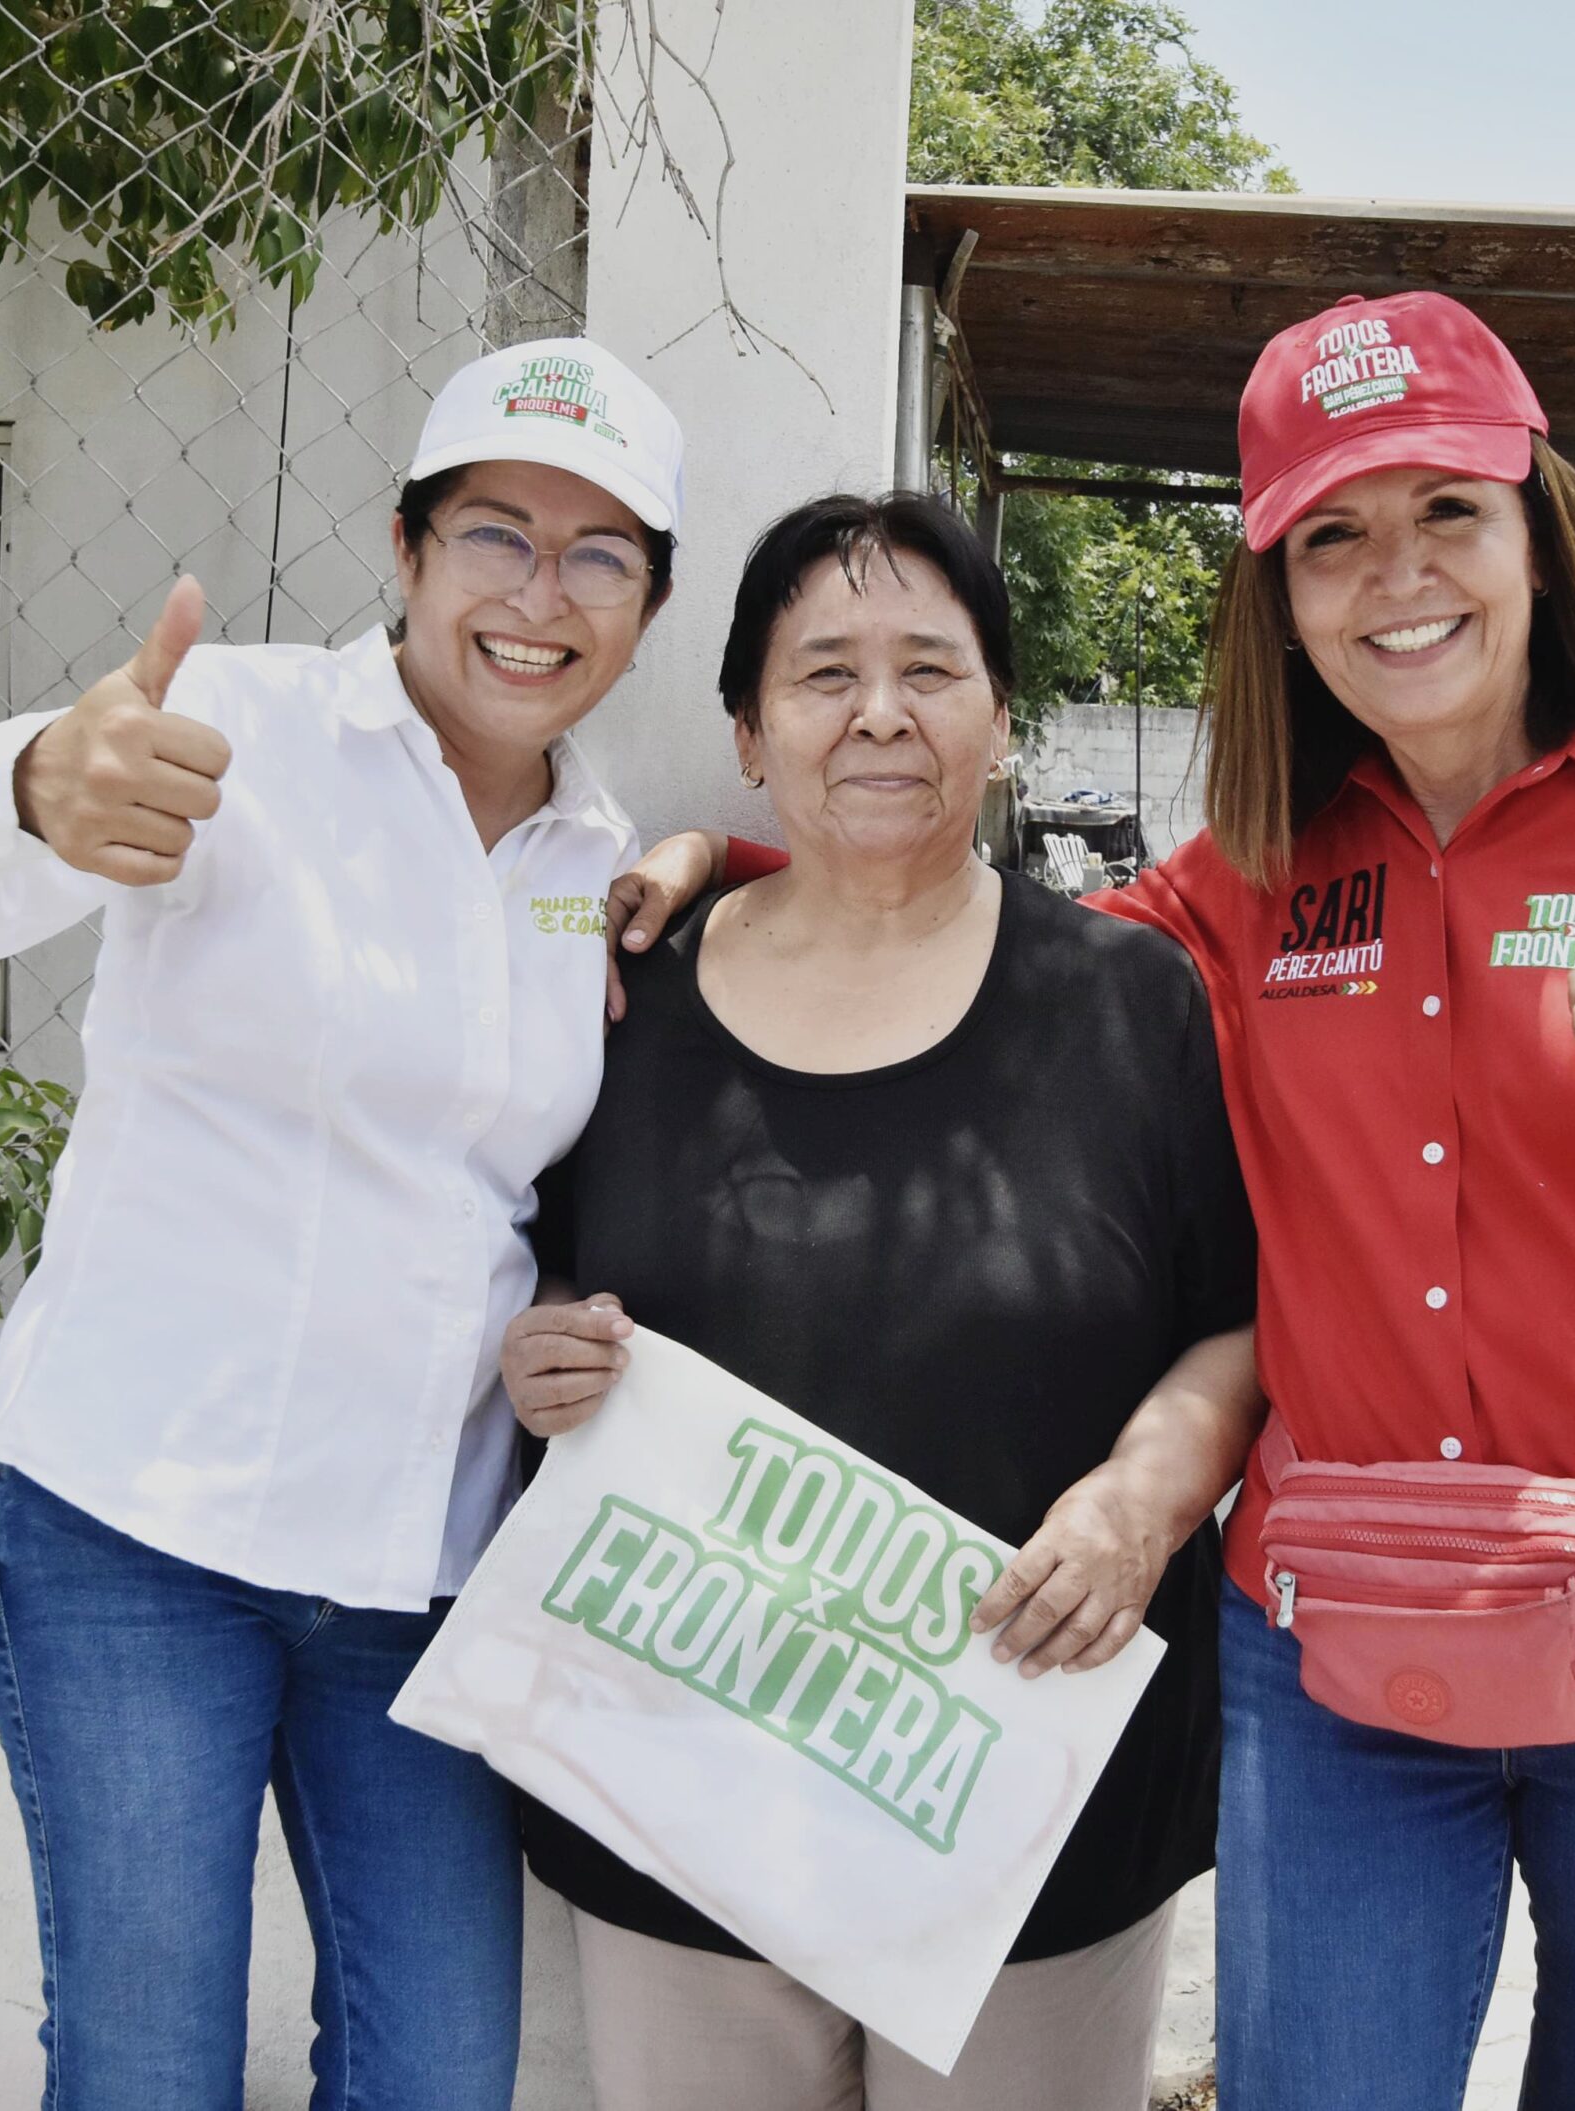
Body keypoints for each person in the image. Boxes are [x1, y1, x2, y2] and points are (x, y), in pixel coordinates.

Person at [610, 293, 1575, 2111]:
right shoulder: (1248, 884)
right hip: (1347, 1673)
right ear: (1278, 590)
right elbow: (996, 954)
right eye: (1332, 535)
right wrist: (749, 856)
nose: (1394, 577)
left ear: (1537, 530)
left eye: (1446, 514)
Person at [0, 336, 686, 2111]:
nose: (539, 594)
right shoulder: (231, 737)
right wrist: (29, 780)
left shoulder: (605, 866)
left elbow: (527, 1194)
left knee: (436, 2080)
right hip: (135, 1534)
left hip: (418, 1577)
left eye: (601, 556)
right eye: (495, 533)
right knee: (148, 2075)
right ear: (410, 550)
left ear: (646, 607)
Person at [499, 491, 1261, 2111]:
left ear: (997, 715)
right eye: (824, 671)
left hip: (1024, 1807)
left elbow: (1239, 1319)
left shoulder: (1132, 1006)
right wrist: (544, 1345)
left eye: (932, 665)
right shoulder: (628, 1000)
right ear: (749, 732)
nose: (880, 711)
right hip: (684, 1795)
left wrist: (1144, 1503)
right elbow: (540, 1255)